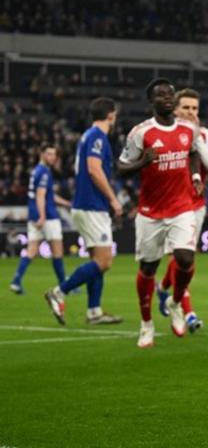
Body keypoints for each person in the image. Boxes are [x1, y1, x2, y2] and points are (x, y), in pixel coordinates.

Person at [117, 79, 204, 348]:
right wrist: (143, 162)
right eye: (160, 95)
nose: (167, 98)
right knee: (149, 267)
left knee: (185, 258)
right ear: (151, 102)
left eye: (170, 94)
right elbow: (121, 167)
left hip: (181, 207)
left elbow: (192, 154)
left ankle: (175, 303)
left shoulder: (188, 130)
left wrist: (196, 175)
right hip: (150, 212)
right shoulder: (140, 133)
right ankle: (146, 324)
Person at [43, 98, 125, 325]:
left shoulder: (87, 136)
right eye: (115, 114)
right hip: (92, 206)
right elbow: (94, 169)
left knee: (95, 260)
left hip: (84, 205)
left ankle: (94, 311)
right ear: (110, 115)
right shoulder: (98, 137)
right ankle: (59, 292)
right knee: (105, 261)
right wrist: (113, 199)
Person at [156, 88, 208, 334]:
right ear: (175, 109)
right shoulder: (163, 132)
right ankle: (188, 312)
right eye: (186, 108)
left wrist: (195, 138)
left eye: (194, 108)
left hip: (195, 205)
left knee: (184, 260)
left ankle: (163, 289)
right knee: (180, 257)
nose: (191, 112)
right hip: (170, 205)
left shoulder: (205, 134)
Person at [11, 144, 71, 294]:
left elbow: (49, 195)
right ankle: (64, 285)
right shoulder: (44, 173)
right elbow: (41, 195)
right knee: (57, 251)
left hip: (34, 216)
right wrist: (43, 215)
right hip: (48, 216)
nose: (53, 157)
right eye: (49, 154)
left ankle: (16, 281)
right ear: (42, 154)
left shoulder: (36, 171)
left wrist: (67, 203)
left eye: (54, 154)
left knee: (31, 250)